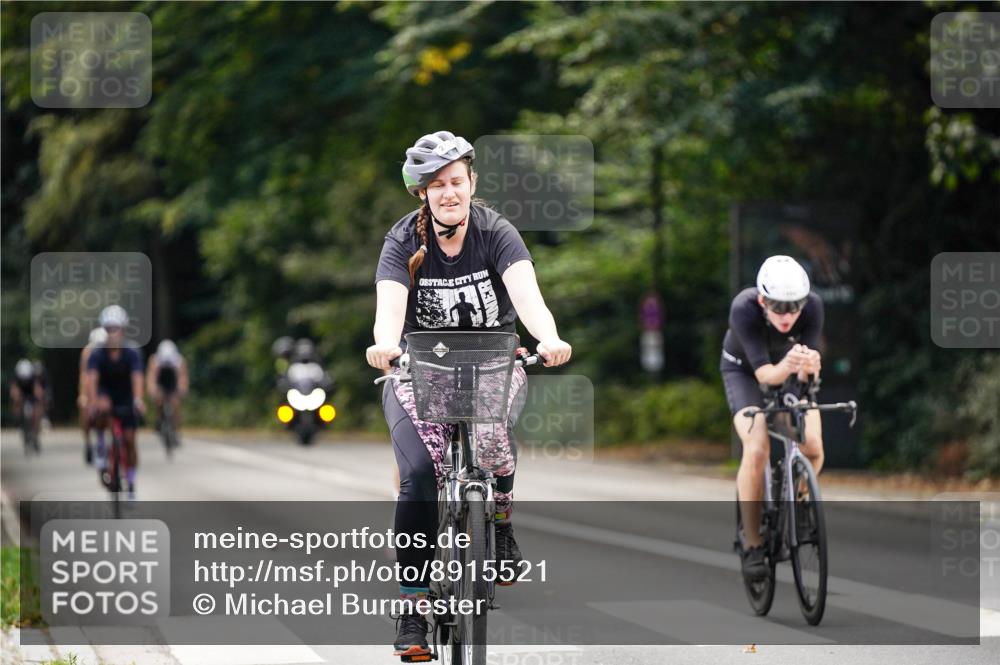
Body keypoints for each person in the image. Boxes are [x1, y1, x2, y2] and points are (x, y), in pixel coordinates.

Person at [367, 130, 572, 657]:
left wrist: (547, 337)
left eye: (456, 181)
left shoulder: (495, 231)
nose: (448, 192)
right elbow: (389, 306)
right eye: (437, 185)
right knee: (417, 476)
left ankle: (499, 524)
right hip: (419, 371)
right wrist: (385, 345)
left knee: (492, 439)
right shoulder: (402, 241)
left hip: (493, 366)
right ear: (421, 193)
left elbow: (527, 293)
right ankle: (412, 608)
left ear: (471, 182)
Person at [721, 255, 824, 580]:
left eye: (795, 306)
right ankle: (752, 543)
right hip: (746, 372)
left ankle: (799, 498)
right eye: (778, 307)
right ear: (763, 300)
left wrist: (810, 371)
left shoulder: (813, 308)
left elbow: (806, 381)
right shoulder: (744, 307)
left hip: (787, 368)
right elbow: (765, 376)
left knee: (813, 446)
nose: (788, 315)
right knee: (757, 448)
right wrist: (794, 364)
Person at [87, 305, 146, 500]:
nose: (112, 333)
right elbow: (92, 380)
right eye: (109, 329)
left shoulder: (132, 353)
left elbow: (137, 378)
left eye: (116, 328)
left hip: (126, 396)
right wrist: (93, 402)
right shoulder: (96, 354)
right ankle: (102, 449)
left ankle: (130, 480)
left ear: (123, 330)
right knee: (102, 410)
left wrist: (138, 400)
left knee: (129, 440)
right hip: (106, 394)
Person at [146, 339, 189, 440]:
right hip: (161, 381)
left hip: (172, 382)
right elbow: (151, 377)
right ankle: (159, 419)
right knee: (159, 400)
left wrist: (182, 389)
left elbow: (182, 377)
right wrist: (152, 390)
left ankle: (176, 428)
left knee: (176, 403)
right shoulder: (154, 360)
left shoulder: (179, 360)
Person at [79, 327, 108, 464]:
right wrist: (83, 396)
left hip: (107, 383)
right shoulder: (87, 352)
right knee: (85, 412)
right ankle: (88, 442)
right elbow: (85, 376)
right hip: (92, 382)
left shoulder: (112, 351)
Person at [10, 358, 44, 445]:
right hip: (22, 393)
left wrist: (39, 398)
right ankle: (19, 421)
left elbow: (38, 389)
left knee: (37, 409)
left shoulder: (33, 376)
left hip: (31, 393)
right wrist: (16, 399)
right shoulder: (16, 377)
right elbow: (14, 390)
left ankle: (36, 431)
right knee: (16, 404)